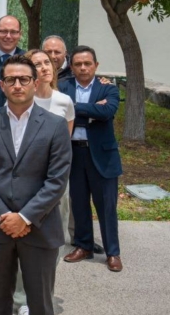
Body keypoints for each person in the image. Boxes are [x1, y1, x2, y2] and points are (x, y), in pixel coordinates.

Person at [0, 55, 72, 315]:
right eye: (11, 80)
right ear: (2, 85)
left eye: (24, 79)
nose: (17, 84)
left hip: (40, 227)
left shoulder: (56, 125)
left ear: (35, 83)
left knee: (40, 304)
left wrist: (25, 217)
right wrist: (5, 216)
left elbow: (57, 180)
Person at [60, 46, 123, 272]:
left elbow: (107, 113)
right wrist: (92, 111)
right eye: (78, 64)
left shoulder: (108, 88)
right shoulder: (62, 87)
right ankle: (83, 245)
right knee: (79, 203)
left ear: (96, 65)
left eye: (88, 63)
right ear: (72, 67)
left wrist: (75, 110)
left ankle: (112, 252)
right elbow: (59, 117)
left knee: (107, 206)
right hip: (74, 153)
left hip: (102, 156)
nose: (83, 68)